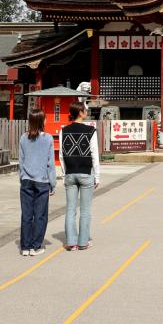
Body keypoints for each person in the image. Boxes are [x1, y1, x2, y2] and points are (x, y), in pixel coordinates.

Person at [59, 101, 100, 251]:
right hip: (86, 172)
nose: (86, 111)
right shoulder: (91, 130)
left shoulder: (64, 130)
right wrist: (97, 176)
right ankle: (83, 242)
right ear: (81, 112)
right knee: (85, 210)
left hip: (70, 173)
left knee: (70, 209)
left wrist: (64, 174)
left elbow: (61, 155)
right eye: (85, 109)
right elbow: (94, 154)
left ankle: (71, 242)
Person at [19, 109, 56, 257]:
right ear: (41, 121)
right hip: (42, 181)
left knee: (27, 215)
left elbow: (21, 162)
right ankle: (36, 246)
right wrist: (53, 183)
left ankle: (25, 246)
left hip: (26, 180)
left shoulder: (23, 138)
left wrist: (21, 178)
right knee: (40, 215)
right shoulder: (47, 138)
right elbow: (50, 164)